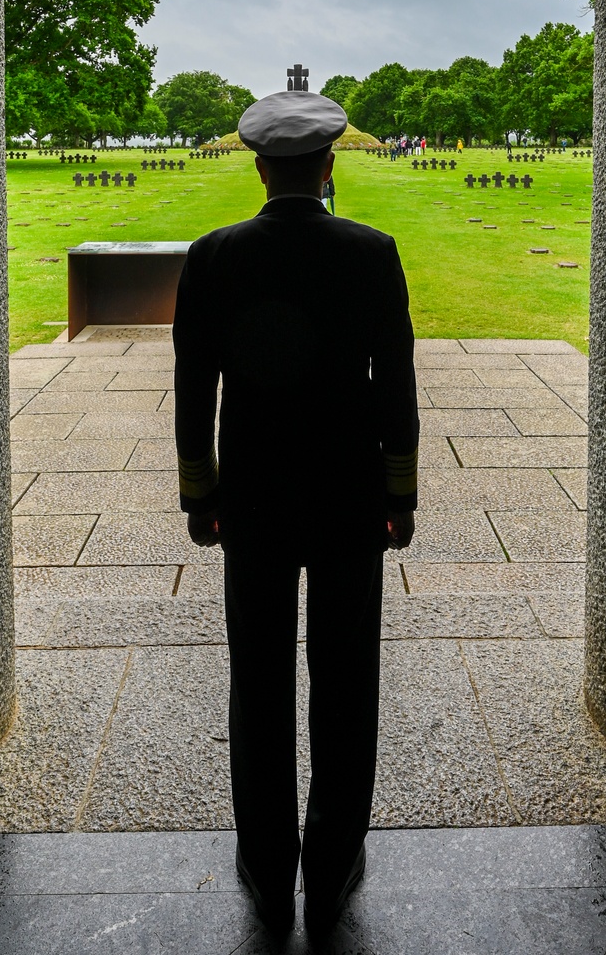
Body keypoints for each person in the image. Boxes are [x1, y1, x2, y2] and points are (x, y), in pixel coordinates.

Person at [172, 89, 419, 937]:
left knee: (261, 677)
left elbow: (192, 390)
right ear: (329, 164)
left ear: (256, 165)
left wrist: (200, 494)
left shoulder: (213, 256)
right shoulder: (372, 251)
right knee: (347, 678)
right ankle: (336, 852)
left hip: (256, 495)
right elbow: (397, 387)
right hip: (349, 495)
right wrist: (401, 492)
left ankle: (269, 857)